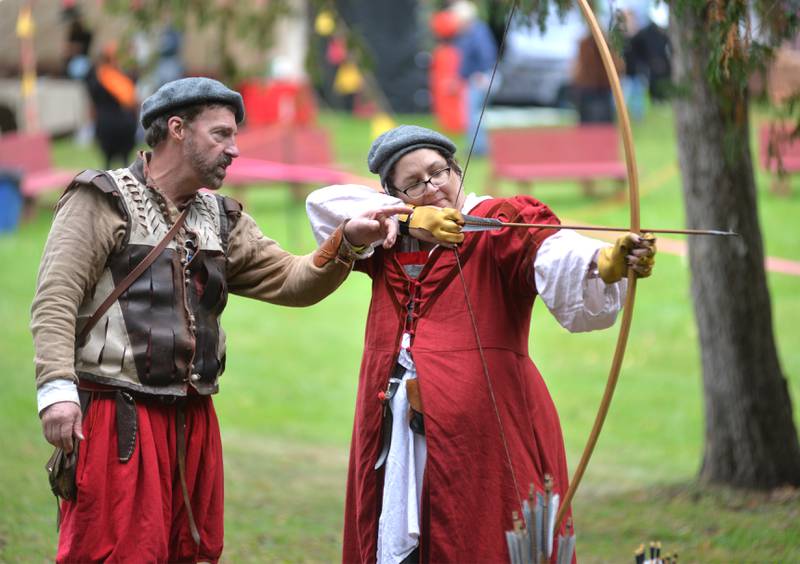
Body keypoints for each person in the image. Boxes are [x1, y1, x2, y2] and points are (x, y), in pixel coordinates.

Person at [31, 77, 408, 563]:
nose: (234, 150)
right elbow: (55, 299)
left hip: (193, 417)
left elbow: (292, 280)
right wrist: (56, 390)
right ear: (176, 129)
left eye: (235, 137)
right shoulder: (101, 199)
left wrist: (348, 242)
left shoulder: (221, 218)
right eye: (221, 134)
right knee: (113, 552)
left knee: (192, 551)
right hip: (116, 415)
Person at [305, 125, 656, 563]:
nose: (432, 188)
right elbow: (323, 204)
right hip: (395, 431)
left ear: (457, 169)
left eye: (438, 172)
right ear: (393, 191)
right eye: (413, 183)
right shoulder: (385, 235)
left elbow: (548, 249)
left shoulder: (498, 221)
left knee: (485, 537)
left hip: (488, 433)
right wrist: (407, 218)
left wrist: (604, 262)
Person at [451, 0, 497, 156]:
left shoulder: (476, 32)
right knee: (477, 115)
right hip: (478, 77)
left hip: (481, 78)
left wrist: (482, 73)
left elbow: (486, 54)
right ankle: (479, 148)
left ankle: (478, 150)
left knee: (474, 115)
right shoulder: (471, 32)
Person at [85, 42, 139, 169]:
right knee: (124, 163)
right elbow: (131, 99)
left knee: (108, 164)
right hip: (122, 124)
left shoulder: (97, 75)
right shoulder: (122, 76)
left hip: (106, 123)